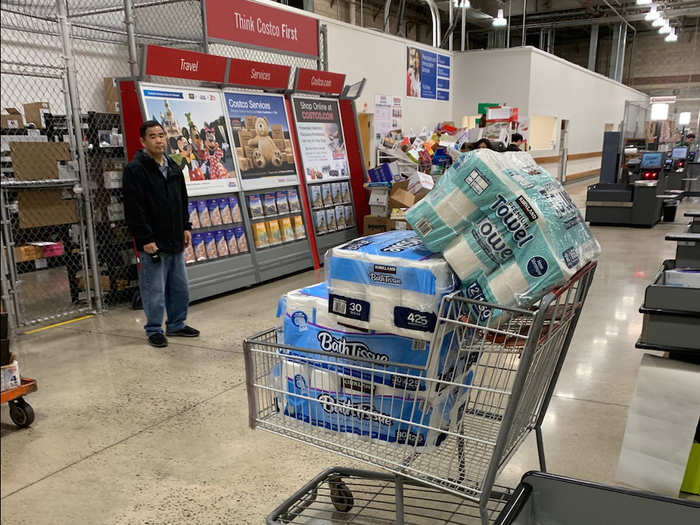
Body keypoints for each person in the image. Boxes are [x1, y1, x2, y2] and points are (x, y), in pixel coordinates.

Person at [123, 120, 199, 348]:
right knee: (154, 289)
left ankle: (176, 324)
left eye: (161, 135)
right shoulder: (136, 170)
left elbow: (183, 200)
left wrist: (186, 227)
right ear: (143, 141)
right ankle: (154, 329)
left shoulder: (174, 167)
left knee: (179, 287)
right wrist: (144, 239)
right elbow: (134, 208)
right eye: (153, 136)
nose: (159, 140)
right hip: (153, 243)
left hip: (175, 238)